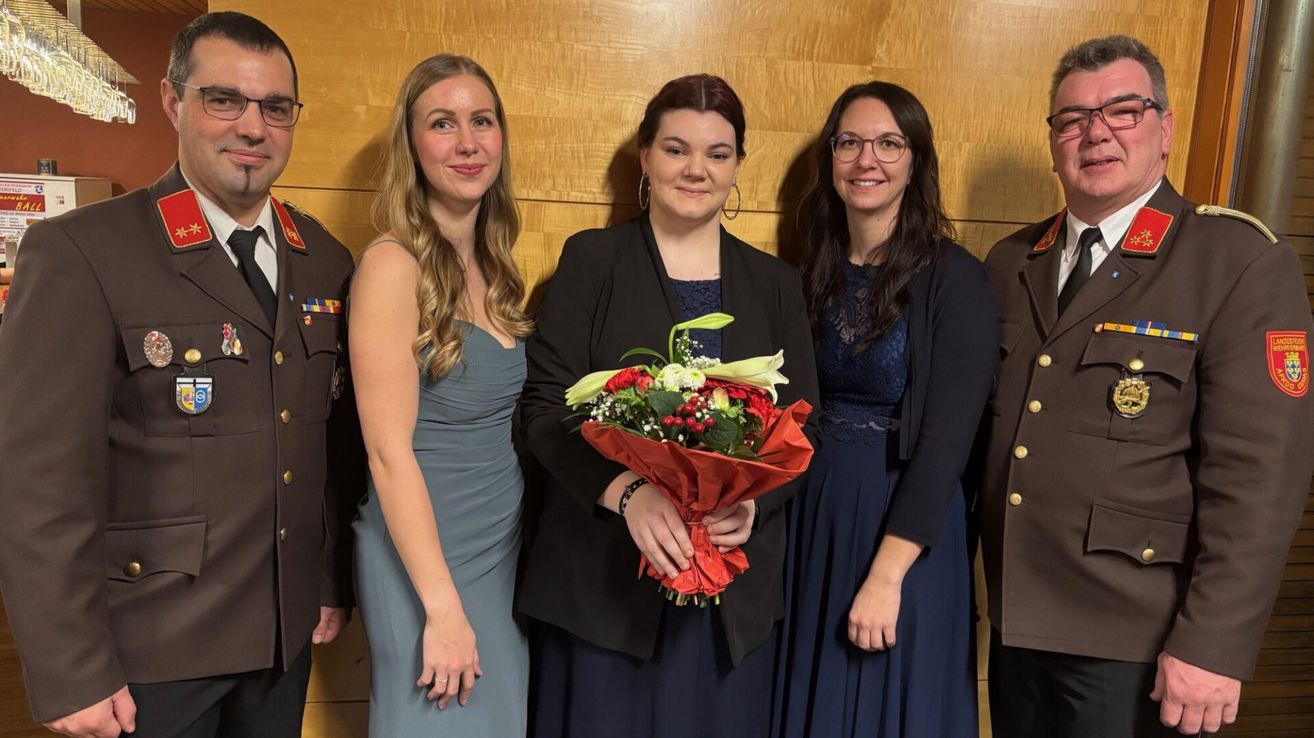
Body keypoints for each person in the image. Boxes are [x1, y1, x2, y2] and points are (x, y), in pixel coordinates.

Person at [0, 11, 364, 738]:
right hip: (148, 649)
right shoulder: (84, 252)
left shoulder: (322, 258)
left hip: (279, 642)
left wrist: (326, 581)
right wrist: (70, 668)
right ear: (173, 102)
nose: (252, 127)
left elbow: (326, 446)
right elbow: (37, 479)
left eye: (275, 108)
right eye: (223, 99)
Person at [981, 34, 1314, 737]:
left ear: (1164, 129)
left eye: (1123, 110)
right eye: (1072, 118)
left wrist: (1213, 644)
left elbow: (1260, 478)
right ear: (1053, 141)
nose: (1095, 132)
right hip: (1016, 625)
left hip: (1139, 642)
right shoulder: (1013, 262)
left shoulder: (1234, 261)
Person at [518, 73, 819, 738]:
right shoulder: (592, 260)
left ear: (738, 165)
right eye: (677, 148)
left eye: (717, 153)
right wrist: (626, 492)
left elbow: (804, 426)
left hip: (727, 600)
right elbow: (544, 410)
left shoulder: (774, 284)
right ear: (645, 158)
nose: (696, 169)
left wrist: (753, 503)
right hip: (598, 589)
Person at [773, 81, 994, 738]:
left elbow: (947, 445)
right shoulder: (807, 268)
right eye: (850, 142)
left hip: (901, 527)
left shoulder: (956, 278)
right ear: (830, 159)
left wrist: (886, 576)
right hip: (812, 515)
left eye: (888, 143)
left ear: (915, 162)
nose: (867, 160)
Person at [349, 55, 532, 737]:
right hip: (424, 559)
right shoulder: (390, 266)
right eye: (442, 123)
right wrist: (442, 607)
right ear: (411, 144)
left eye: (481, 121)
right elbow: (387, 452)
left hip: (500, 552)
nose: (466, 143)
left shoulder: (497, 266)